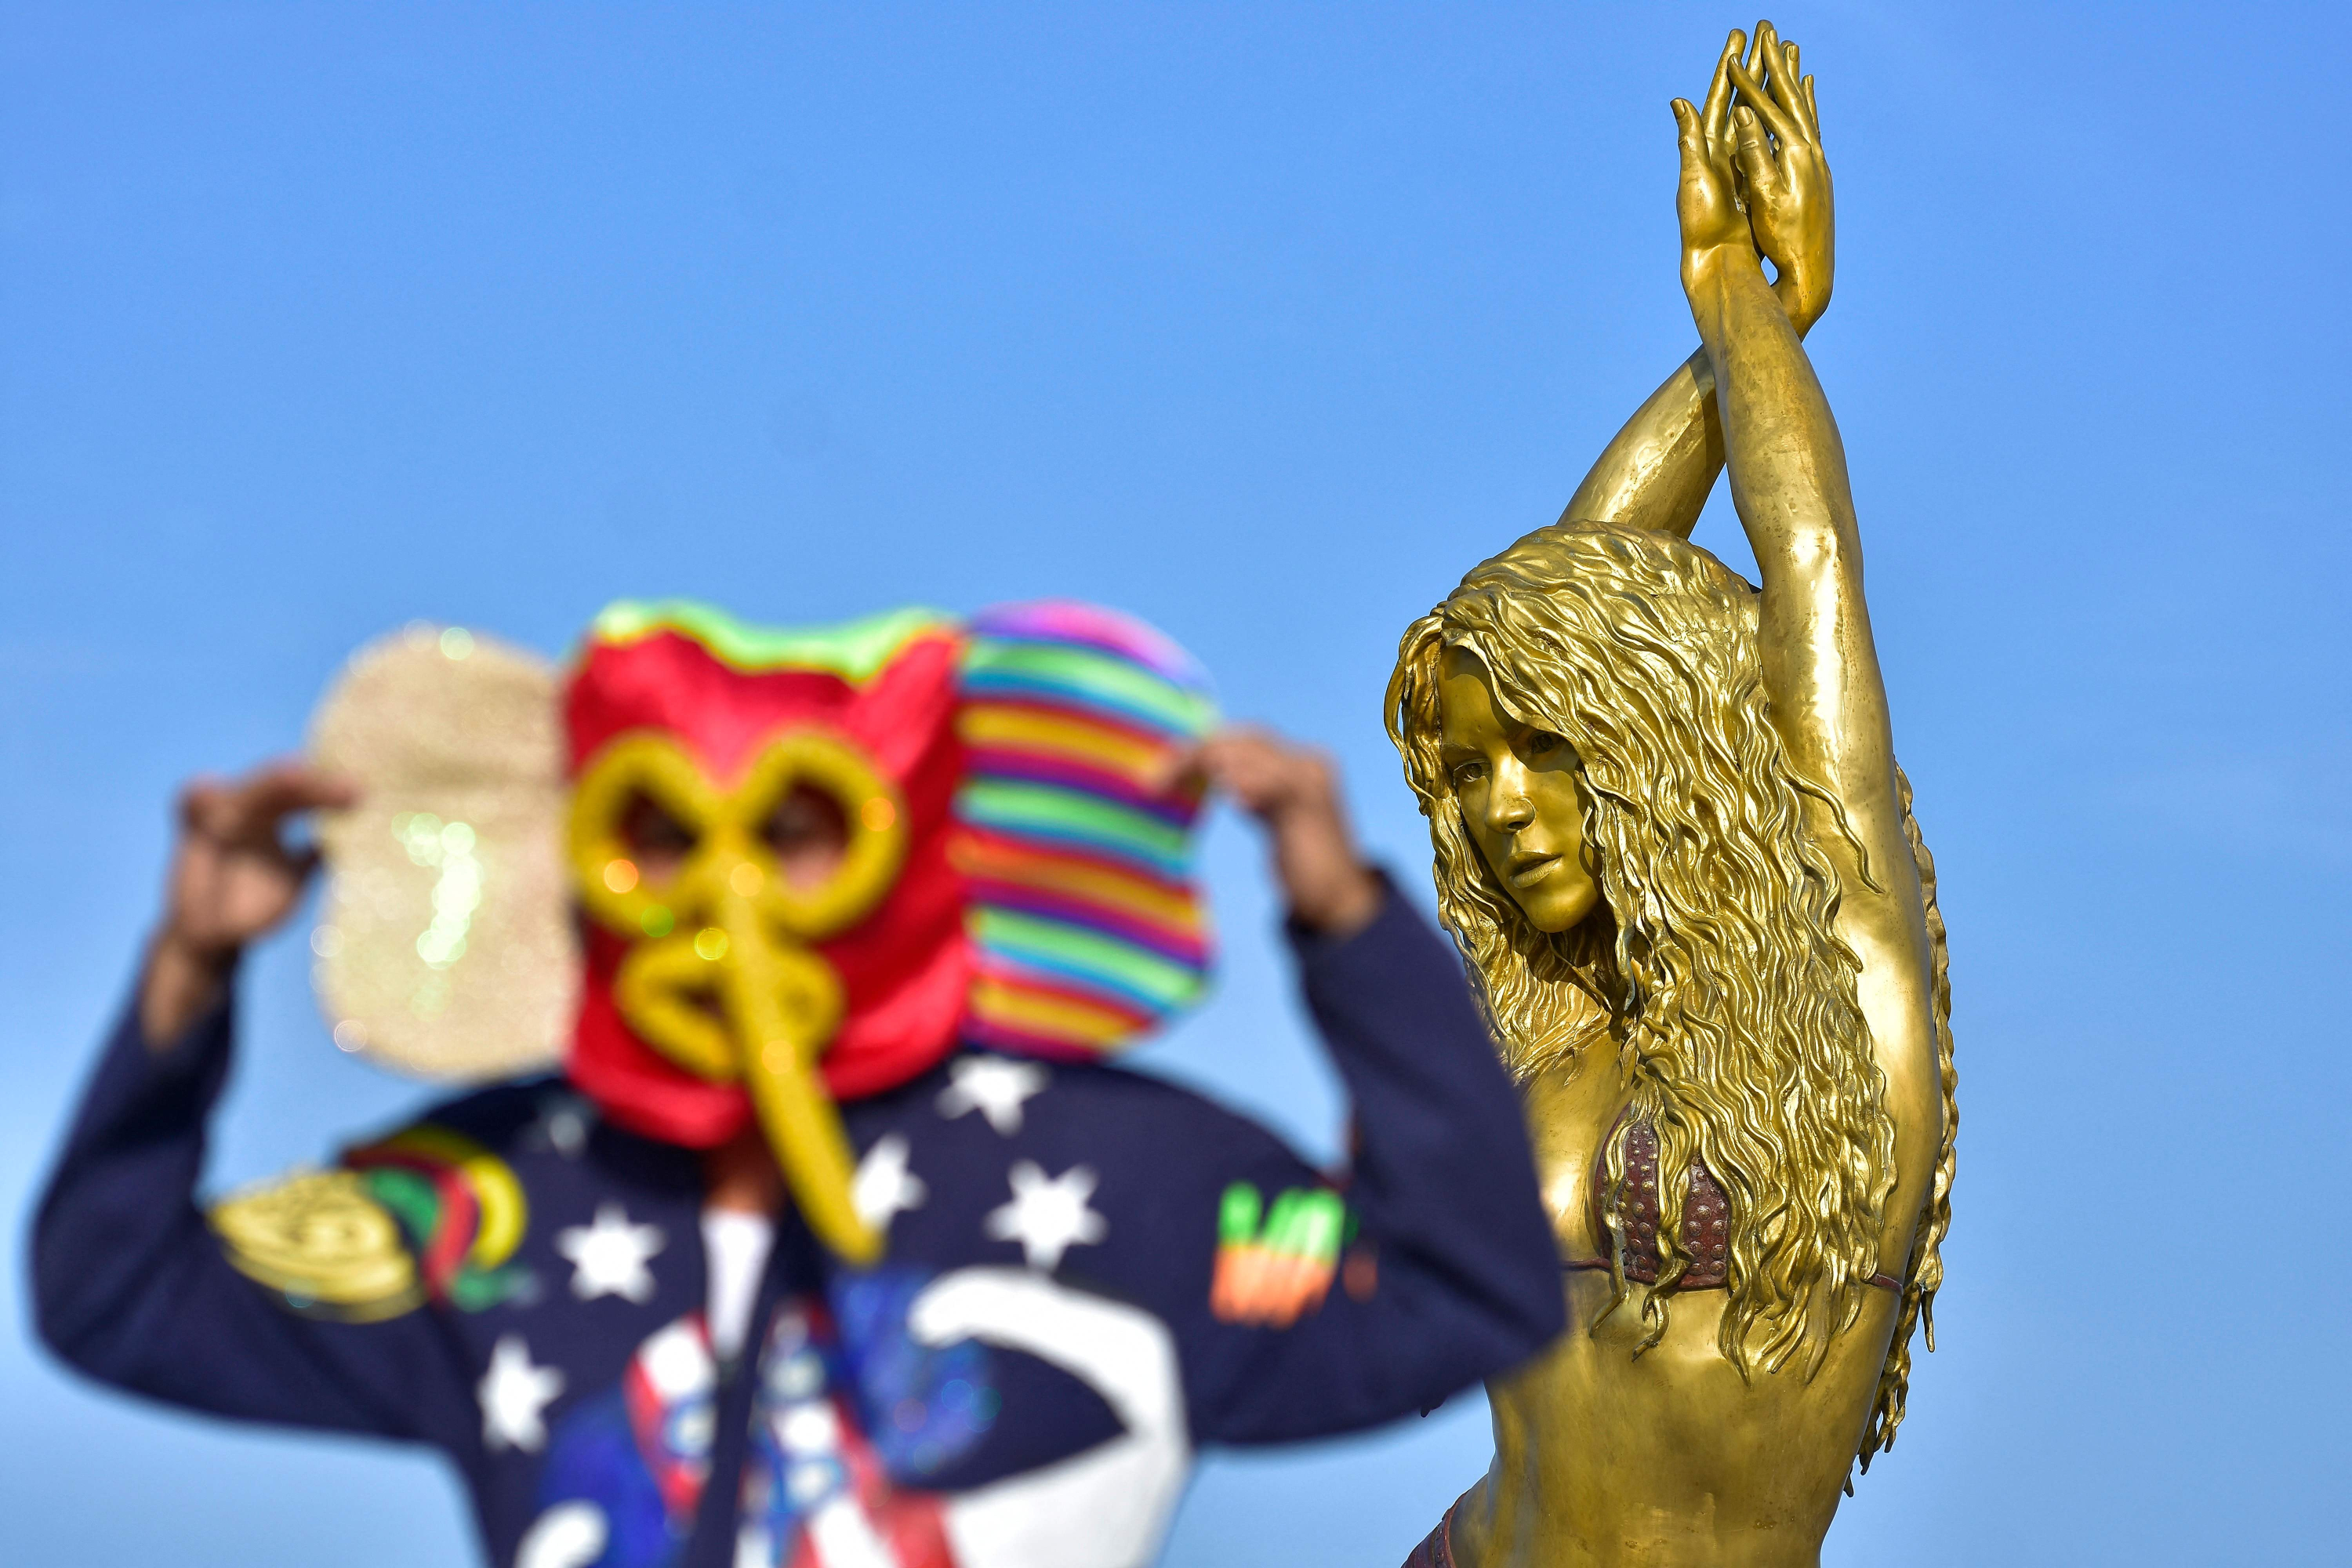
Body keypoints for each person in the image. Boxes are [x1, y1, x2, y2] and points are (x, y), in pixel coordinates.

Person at [34, 597, 1565, 1568]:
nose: (733, 901)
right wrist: (191, 972)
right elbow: (120, 1296)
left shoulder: (1119, 1181)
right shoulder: (507, 1200)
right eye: (667, 837)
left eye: (798, 835)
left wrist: (1348, 926)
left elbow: (1470, 1288)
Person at [1384, 25, 1955, 1567]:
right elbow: (1562, 598)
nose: (1502, 807)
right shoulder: (1564, 1014)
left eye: (1550, 758)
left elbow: (1812, 567)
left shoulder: (1854, 1029)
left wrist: (1742, 303)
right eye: (1478, 769)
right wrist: (1733, 346)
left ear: (1655, 752)